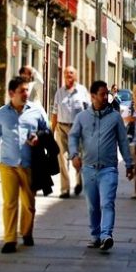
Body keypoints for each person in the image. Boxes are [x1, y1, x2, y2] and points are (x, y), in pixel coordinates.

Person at [0, 76, 50, 254]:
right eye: (22, 91)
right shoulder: (1, 114)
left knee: (29, 204)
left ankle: (27, 232)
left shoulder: (36, 111)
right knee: (10, 203)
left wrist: (39, 137)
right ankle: (10, 239)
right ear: (11, 93)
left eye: (27, 90)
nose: (26, 94)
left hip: (29, 166)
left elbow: (47, 130)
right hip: (8, 166)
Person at [69, 80, 136, 252]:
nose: (106, 97)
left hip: (109, 169)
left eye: (107, 94)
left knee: (107, 203)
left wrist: (129, 164)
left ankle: (107, 235)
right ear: (92, 97)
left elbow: (122, 141)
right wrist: (74, 154)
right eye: (102, 94)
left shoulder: (115, 118)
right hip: (89, 168)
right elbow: (73, 137)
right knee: (93, 205)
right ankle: (95, 235)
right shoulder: (82, 117)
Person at [51, 66, 91, 198]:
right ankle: (65, 189)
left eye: (71, 73)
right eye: (66, 73)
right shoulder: (59, 92)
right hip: (62, 128)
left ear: (76, 76)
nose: (69, 75)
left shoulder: (82, 91)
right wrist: (52, 130)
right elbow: (55, 113)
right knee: (62, 158)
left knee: (78, 157)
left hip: (78, 129)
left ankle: (79, 182)